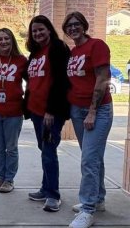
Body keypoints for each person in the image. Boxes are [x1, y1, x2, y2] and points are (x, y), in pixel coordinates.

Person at [63, 12, 113, 228]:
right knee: (93, 158)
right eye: (69, 26)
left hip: (98, 110)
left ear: (84, 26)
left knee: (88, 160)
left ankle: (87, 209)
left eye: (76, 24)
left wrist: (92, 110)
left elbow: (103, 78)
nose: (73, 28)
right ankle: (98, 199)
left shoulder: (97, 46)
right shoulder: (74, 52)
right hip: (78, 109)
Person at [25, 15, 71, 212]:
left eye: (41, 29)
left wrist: (51, 110)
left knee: (49, 151)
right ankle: (45, 189)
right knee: (44, 149)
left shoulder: (58, 49)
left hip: (51, 112)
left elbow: (62, 81)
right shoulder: (35, 53)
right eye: (34, 31)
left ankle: (53, 195)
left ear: (49, 29)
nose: (37, 33)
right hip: (36, 111)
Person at [0, 28, 27, 193]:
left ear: (12, 40)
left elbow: (32, 81)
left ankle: (9, 179)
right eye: (0, 39)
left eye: (6, 39)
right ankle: (0, 176)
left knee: (11, 147)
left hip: (14, 111)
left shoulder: (21, 60)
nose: (3, 42)